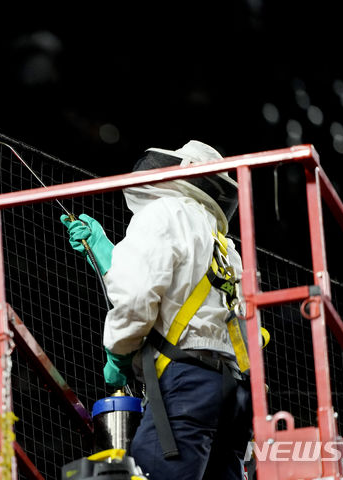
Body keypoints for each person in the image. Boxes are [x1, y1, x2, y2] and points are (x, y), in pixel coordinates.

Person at [62, 140, 253, 480]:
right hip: (234, 394)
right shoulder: (226, 248)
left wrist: (118, 354)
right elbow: (176, 294)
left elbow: (137, 298)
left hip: (186, 383)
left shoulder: (165, 212)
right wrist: (108, 259)